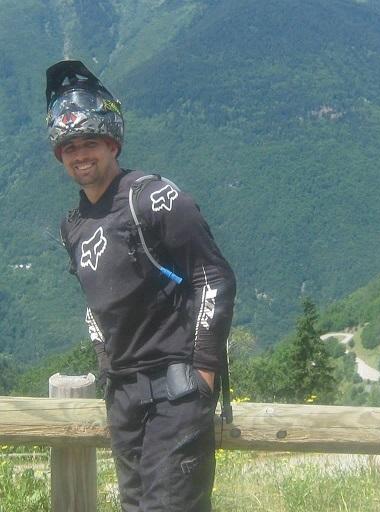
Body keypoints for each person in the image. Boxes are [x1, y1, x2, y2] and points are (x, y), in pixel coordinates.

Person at [46, 60, 236, 512]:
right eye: (69, 147)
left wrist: (204, 371)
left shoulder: (154, 198)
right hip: (124, 396)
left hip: (177, 389)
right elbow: (94, 305)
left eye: (90, 143)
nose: (80, 155)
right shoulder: (73, 226)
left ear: (112, 143)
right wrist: (105, 364)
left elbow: (214, 276)